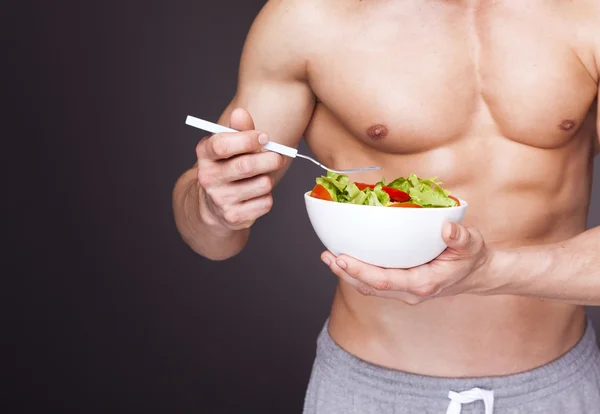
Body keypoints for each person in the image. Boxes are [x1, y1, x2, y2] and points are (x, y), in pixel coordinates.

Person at [172, 0, 600, 412]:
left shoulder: (586, 14)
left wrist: (490, 270)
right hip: (372, 393)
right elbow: (212, 240)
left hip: (558, 389)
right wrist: (212, 207)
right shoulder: (308, 17)